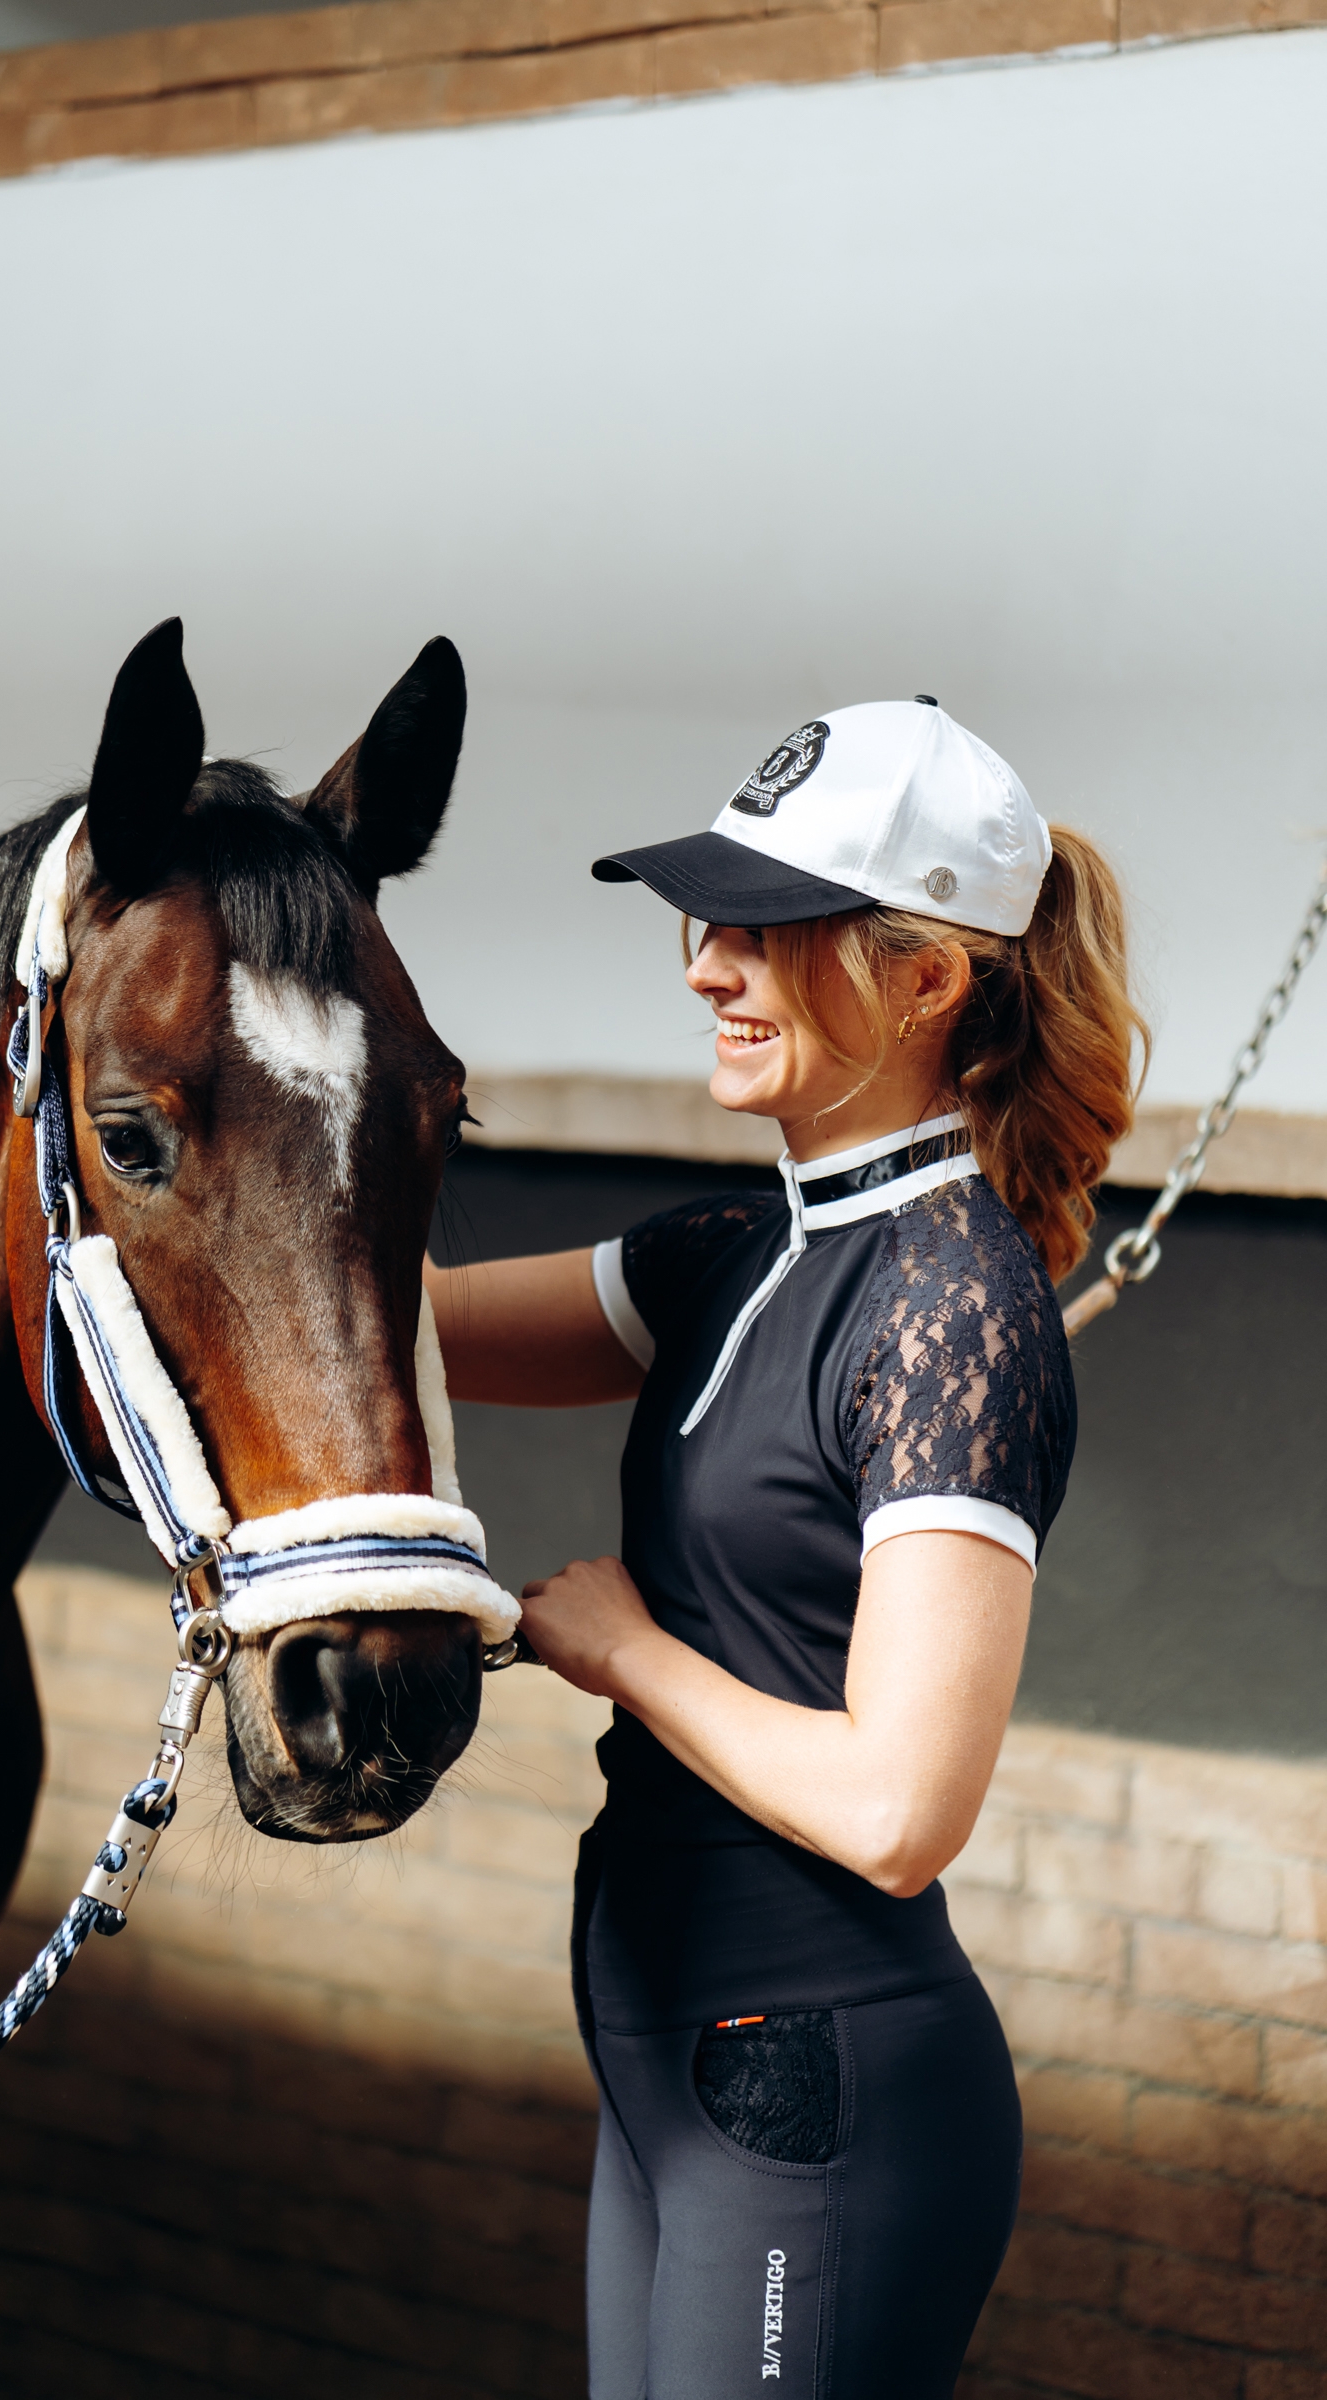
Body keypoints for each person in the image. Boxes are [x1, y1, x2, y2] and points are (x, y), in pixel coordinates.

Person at [424, 697, 1145, 2400]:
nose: (709, 968)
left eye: (771, 927)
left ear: (924, 979)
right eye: (709, 921)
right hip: (666, 2069)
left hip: (814, 2087)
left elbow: (901, 1815)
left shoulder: (954, 1306)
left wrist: (624, 1651)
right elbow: (410, 1326)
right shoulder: (732, 1255)